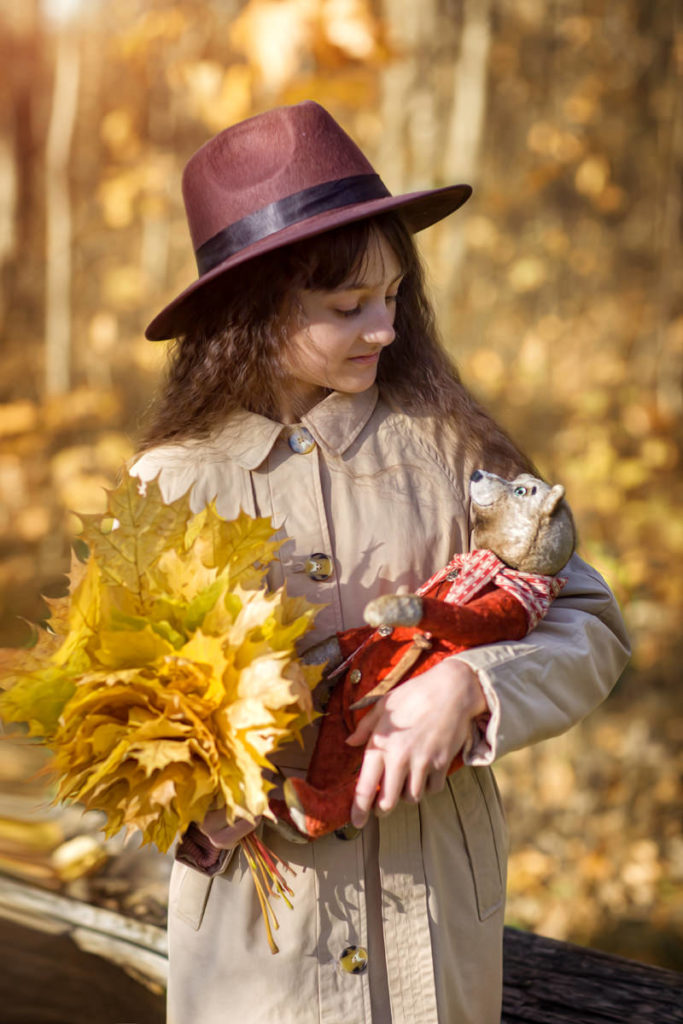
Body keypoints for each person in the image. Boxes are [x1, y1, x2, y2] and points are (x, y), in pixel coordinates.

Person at [131, 101, 630, 1024]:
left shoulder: (448, 449)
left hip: (431, 919)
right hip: (259, 947)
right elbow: (116, 724)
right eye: (346, 306)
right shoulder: (170, 487)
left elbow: (587, 621)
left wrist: (474, 688)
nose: (386, 329)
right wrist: (205, 795)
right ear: (249, 309)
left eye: (394, 295)